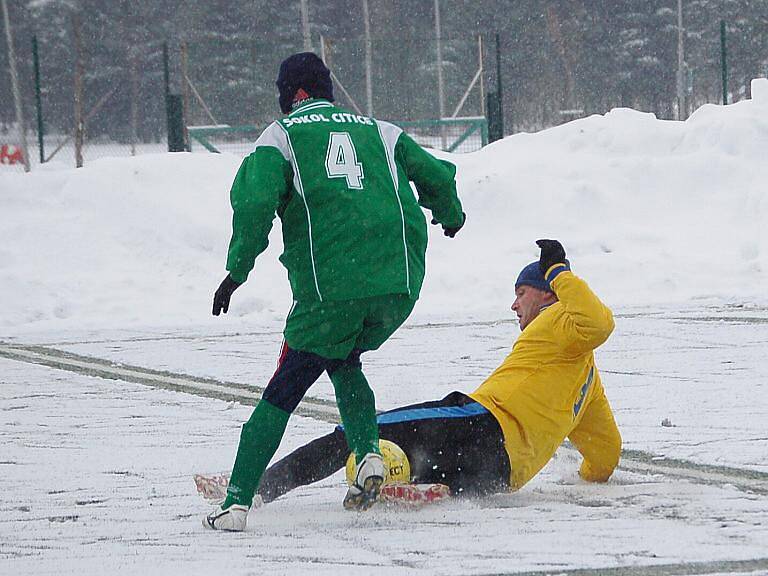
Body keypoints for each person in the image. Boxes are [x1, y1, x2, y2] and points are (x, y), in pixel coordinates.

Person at [204, 52, 465, 531]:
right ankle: (368, 456)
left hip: (332, 290)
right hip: (398, 284)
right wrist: (450, 214)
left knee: (286, 384)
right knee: (344, 359)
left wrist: (236, 271)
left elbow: (255, 202)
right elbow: (435, 174)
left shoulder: (281, 137)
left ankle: (235, 502)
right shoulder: (381, 130)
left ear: (294, 94)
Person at [247, 239, 622, 505]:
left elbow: (599, 323)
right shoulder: (588, 385)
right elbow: (607, 453)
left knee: (361, 432)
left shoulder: (558, 315)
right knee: (423, 461)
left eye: (520, 292)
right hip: (503, 474)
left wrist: (558, 271)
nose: (513, 304)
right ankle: (427, 484)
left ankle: (258, 486)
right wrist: (588, 475)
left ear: (546, 293)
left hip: (480, 421)